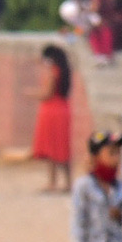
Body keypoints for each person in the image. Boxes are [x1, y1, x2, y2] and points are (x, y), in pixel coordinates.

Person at [32, 44, 73, 193]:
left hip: (51, 111)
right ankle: (68, 182)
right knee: (61, 147)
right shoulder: (63, 71)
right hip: (62, 109)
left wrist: (30, 94)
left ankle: (52, 182)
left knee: (52, 147)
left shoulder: (52, 72)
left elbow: (47, 94)